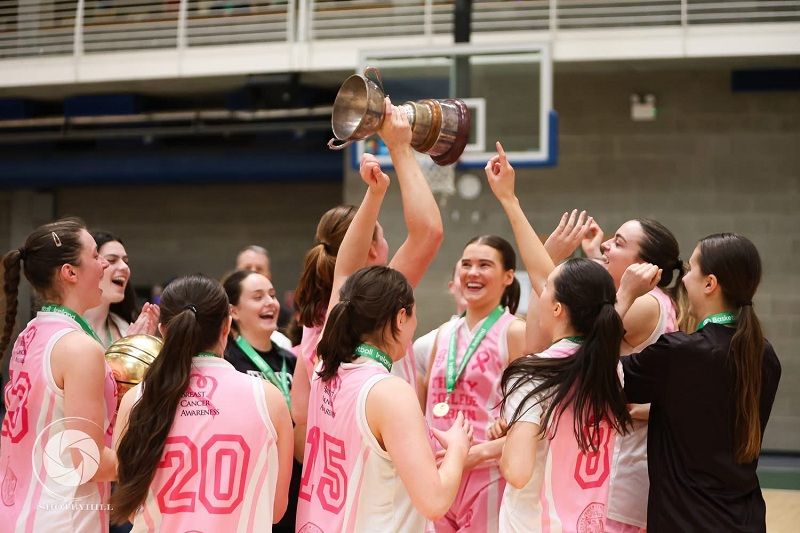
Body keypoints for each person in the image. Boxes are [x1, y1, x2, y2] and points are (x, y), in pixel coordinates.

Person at [291, 97, 443, 458]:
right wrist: (400, 148)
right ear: (372, 250)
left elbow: (300, 415)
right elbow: (428, 233)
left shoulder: (318, 326)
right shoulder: (374, 301)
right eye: (382, 233)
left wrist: (374, 194)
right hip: (387, 474)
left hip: (329, 490)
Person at [617, 234, 781, 531]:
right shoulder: (765, 354)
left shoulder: (679, 352)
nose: (685, 279)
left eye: (691, 269)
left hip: (686, 521)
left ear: (710, 284)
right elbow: (706, 415)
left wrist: (624, 297)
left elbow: (600, 376)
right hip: (745, 519)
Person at [296, 266, 473, 531]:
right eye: (414, 317)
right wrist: (458, 448)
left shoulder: (324, 369)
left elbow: (345, 265)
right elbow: (434, 502)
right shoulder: (388, 391)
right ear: (401, 318)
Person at [111, 275, 293, 530]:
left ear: (163, 330)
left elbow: (130, 510)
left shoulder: (136, 398)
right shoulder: (270, 397)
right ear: (227, 326)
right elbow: (275, 510)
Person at [0, 217, 118, 531]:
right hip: (62, 518)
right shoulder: (78, 347)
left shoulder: (32, 333)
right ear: (70, 273)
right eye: (95, 255)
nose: (104, 264)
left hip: (19, 511)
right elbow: (89, 463)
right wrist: (163, 455)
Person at [582, 217, 687, 531]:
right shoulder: (660, 301)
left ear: (642, 266)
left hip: (623, 468)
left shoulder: (643, 305)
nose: (606, 245)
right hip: (631, 460)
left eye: (618, 242)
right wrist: (594, 256)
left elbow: (581, 345)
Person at [221, 268, 300, 533]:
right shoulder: (227, 361)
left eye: (272, 295)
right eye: (257, 297)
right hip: (250, 480)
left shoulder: (291, 360)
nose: (270, 303)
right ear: (233, 311)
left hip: (292, 480)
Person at [83, 230, 159, 348]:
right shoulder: (64, 325)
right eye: (112, 260)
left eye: (126, 261)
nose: (124, 267)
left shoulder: (125, 327)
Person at [412, 260, 467, 405]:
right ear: (451, 286)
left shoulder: (509, 334)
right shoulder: (424, 344)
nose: (472, 276)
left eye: (483, 266)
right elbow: (421, 408)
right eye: (463, 271)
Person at [235, 244, 293, 350]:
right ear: (233, 311)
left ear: (269, 275)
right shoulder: (224, 336)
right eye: (247, 267)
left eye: (259, 268)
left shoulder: (283, 341)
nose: (253, 271)